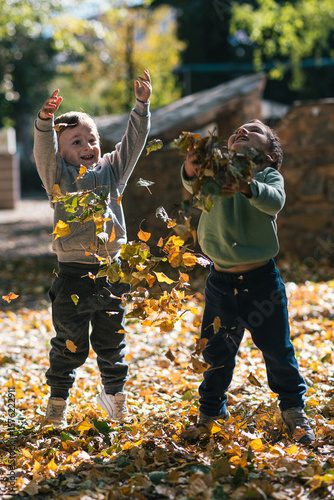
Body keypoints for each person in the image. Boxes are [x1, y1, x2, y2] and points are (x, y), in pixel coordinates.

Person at [181, 120, 315, 444]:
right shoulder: (215, 174)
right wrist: (190, 168)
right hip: (220, 285)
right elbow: (193, 186)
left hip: (261, 284)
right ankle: (211, 413)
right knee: (215, 353)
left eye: (254, 130)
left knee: (277, 351)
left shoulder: (268, 176)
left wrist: (246, 185)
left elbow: (273, 200)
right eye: (239, 130)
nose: (242, 130)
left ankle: (294, 410)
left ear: (269, 155)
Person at [34, 70, 152, 428]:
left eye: (92, 139)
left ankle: (115, 397)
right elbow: (43, 150)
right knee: (70, 345)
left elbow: (134, 142)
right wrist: (44, 123)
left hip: (111, 273)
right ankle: (57, 403)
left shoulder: (112, 172)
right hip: (72, 277)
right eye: (76, 142)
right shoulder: (58, 177)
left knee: (112, 342)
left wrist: (141, 106)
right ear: (60, 152)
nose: (87, 147)